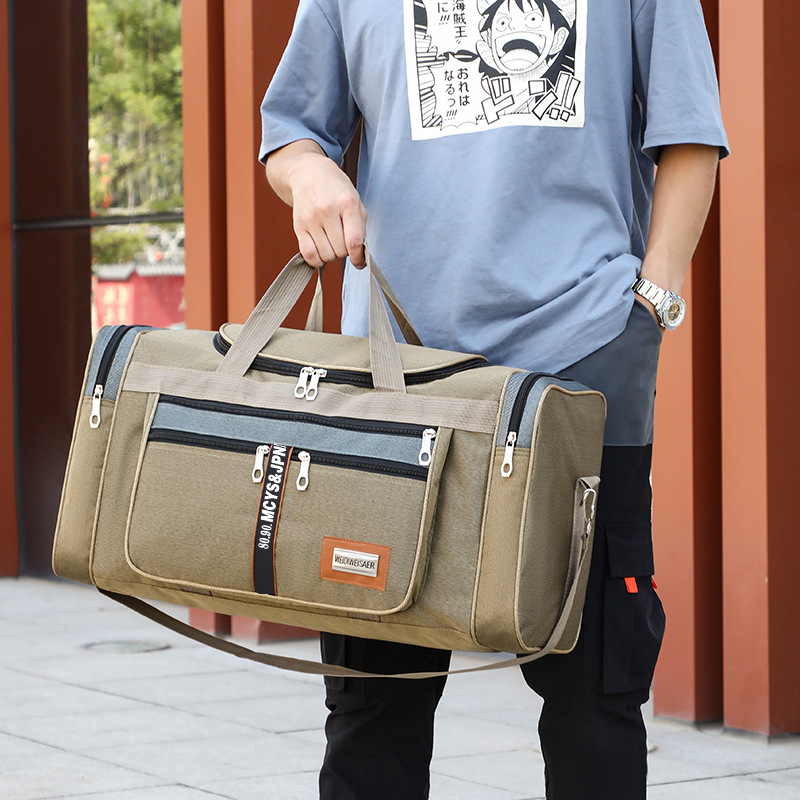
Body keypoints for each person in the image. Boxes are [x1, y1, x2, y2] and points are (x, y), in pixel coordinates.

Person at [259, 1, 728, 798]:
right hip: (395, 384)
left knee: (594, 699)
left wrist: (649, 303)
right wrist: (309, 172)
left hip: (580, 363)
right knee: (372, 706)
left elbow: (690, 134)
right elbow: (292, 131)